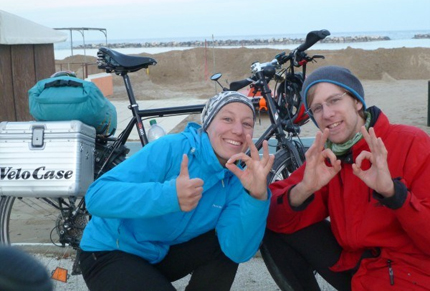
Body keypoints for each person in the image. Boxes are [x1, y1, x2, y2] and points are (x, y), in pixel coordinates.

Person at [78, 91, 274, 291]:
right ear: (207, 124)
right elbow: (96, 196)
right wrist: (168, 195)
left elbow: (237, 252)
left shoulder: (238, 178)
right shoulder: (172, 148)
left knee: (222, 244)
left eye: (247, 123)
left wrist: (256, 197)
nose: (238, 130)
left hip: (160, 254)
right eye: (227, 119)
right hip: (111, 250)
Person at [264, 65, 430, 291]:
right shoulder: (329, 156)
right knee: (271, 227)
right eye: (317, 108)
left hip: (408, 271)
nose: (327, 114)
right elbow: (272, 209)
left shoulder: (411, 142)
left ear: (357, 101)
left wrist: (394, 194)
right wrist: (303, 190)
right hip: (356, 265)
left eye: (334, 100)